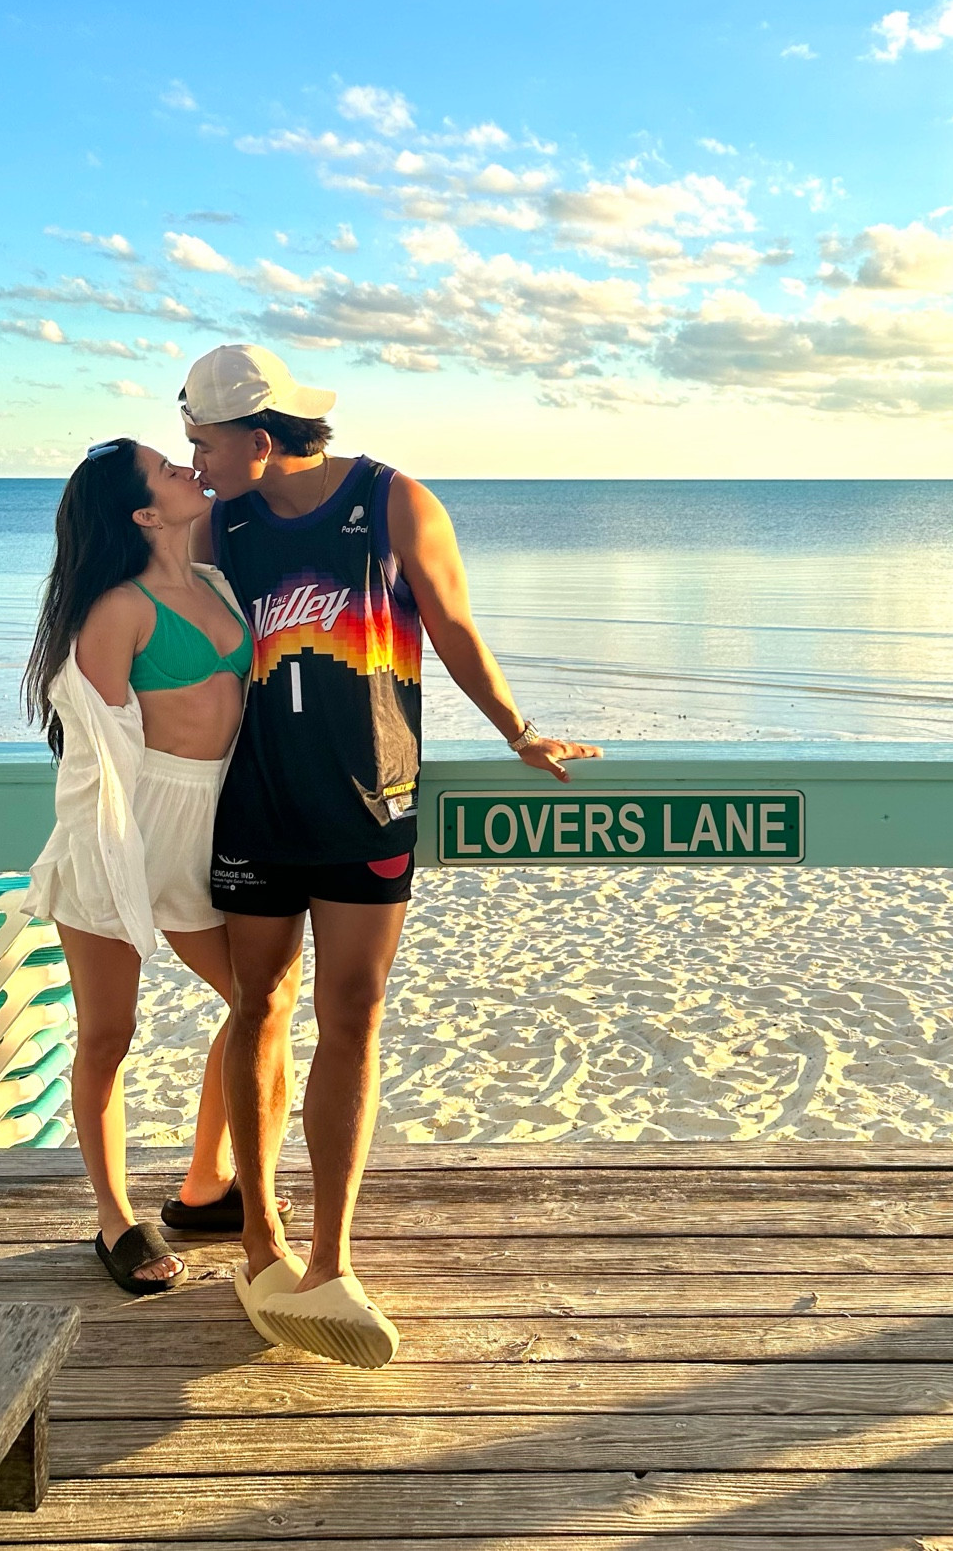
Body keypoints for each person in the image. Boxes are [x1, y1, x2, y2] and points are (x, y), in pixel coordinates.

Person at [182, 342, 599, 1364]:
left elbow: (452, 626)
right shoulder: (218, 525)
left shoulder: (393, 502)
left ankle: (331, 1255)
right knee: (257, 1006)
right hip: (251, 807)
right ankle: (260, 1238)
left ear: (261, 438)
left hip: (370, 806)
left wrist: (516, 730)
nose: (194, 462)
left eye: (205, 443)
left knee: (353, 1014)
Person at [23, 437, 287, 1294]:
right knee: (109, 1033)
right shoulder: (118, 609)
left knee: (260, 1004)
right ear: (143, 513)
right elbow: (93, 753)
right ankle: (114, 1219)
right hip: (125, 832)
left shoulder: (213, 582)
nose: (185, 467)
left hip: (214, 825)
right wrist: (108, 860)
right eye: (167, 468)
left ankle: (207, 1183)